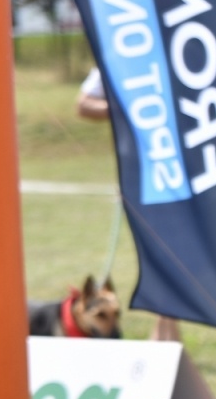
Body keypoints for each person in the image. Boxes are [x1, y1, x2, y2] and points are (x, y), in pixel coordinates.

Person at [76, 67, 183, 341]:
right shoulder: (121, 55)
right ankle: (164, 334)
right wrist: (128, 109)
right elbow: (84, 104)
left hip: (178, 167)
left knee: (171, 252)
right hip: (141, 173)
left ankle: (166, 333)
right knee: (157, 252)